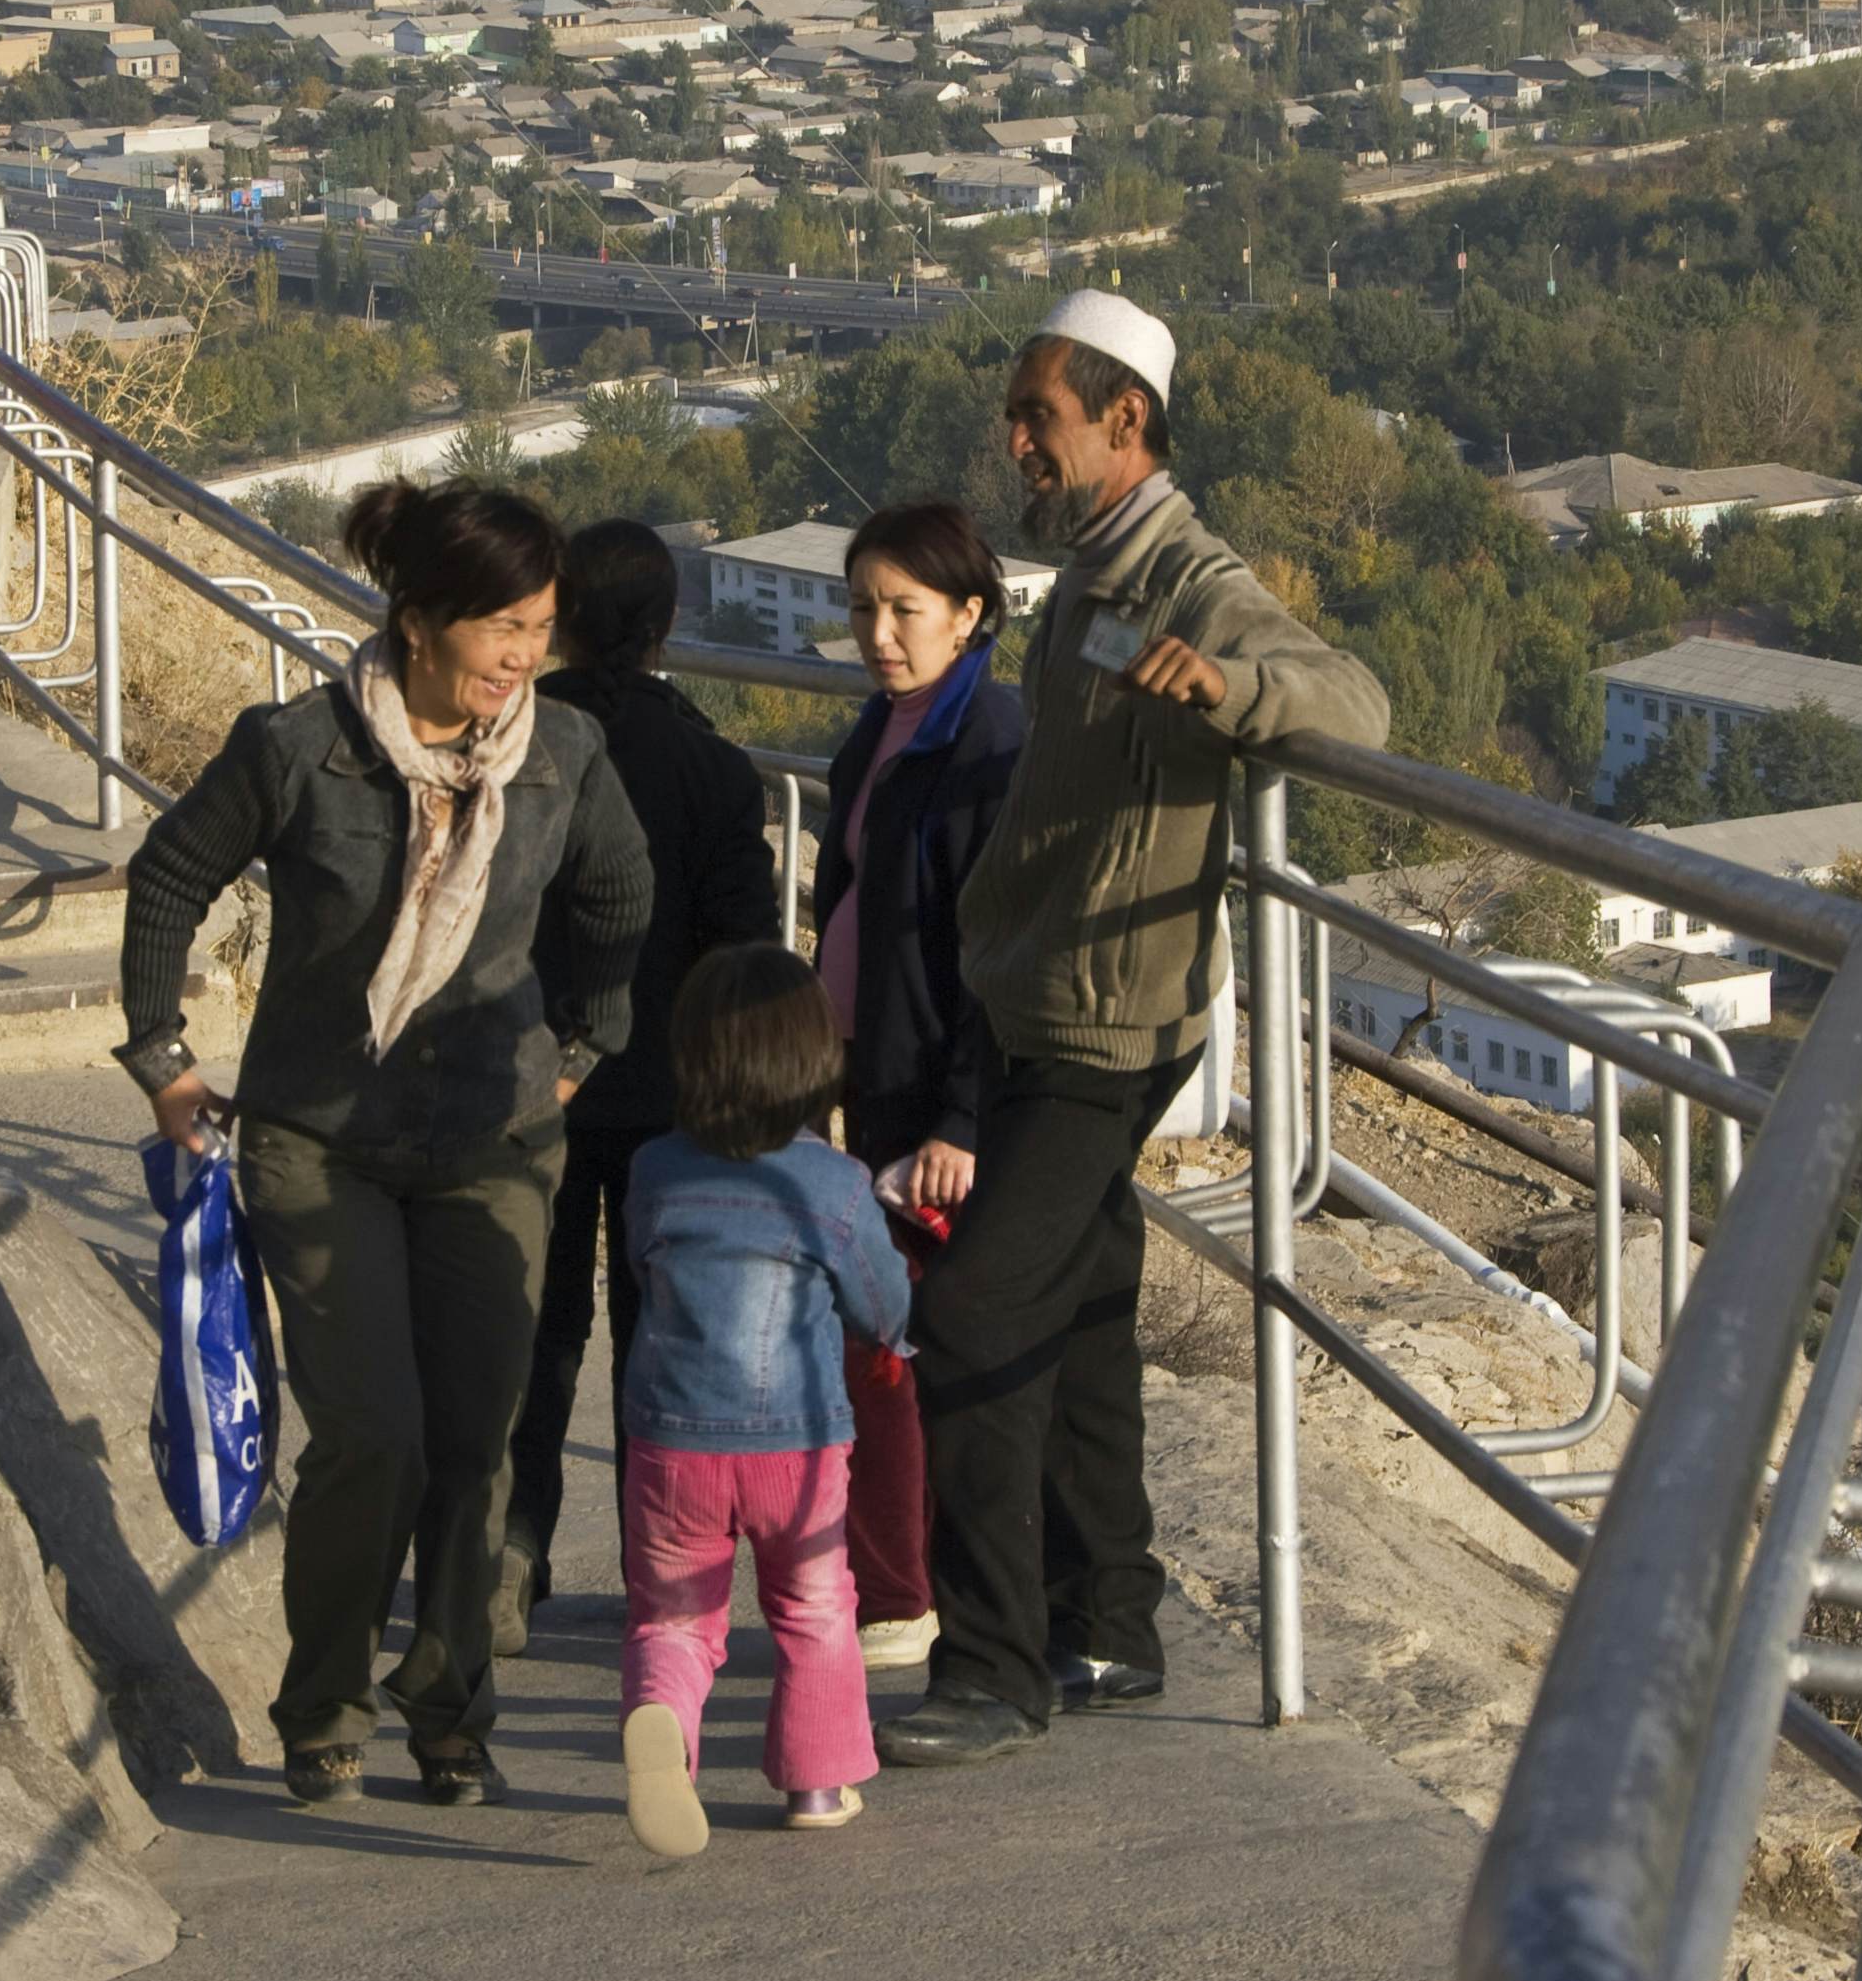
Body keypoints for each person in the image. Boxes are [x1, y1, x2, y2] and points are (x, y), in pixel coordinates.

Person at [875, 291, 1391, 1771]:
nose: (1016, 444)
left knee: (972, 1309)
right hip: (1037, 991)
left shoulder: (1184, 576)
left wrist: (1235, 687)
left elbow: (1351, 701)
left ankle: (989, 1665)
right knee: (1087, 1309)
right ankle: (1104, 1618)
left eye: (1038, 417)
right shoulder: (1089, 572)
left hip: (1107, 1019)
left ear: (1124, 423)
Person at [115, 480, 654, 1809]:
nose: (520, 654)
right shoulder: (299, 748)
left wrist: (586, 1039)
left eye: (538, 626)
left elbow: (617, 890)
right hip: (321, 1137)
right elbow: (171, 874)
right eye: (498, 626)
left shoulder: (563, 752)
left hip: (496, 1137)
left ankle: (451, 1710)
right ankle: (323, 1701)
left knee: (476, 1441)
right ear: (416, 620)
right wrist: (162, 1057)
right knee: (373, 1435)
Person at [504, 520, 777, 1655]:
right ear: (667, 627)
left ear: (558, 614)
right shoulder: (714, 768)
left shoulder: (515, 743)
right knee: (659, 1343)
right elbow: (748, 948)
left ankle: (508, 1553)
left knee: (537, 1327)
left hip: (529, 1089)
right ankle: (658, 1576)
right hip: (674, 1100)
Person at [613, 944, 915, 1858]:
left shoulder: (656, 1169)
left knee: (673, 1616)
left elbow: (639, 1266)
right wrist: (893, 1341)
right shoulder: (833, 1182)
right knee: (815, 1605)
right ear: (814, 1059)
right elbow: (879, 1297)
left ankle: (664, 1713)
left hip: (672, 1444)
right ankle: (817, 1787)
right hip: (800, 1445)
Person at [809, 499, 1025, 1668]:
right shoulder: (888, 728)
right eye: (863, 607)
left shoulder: (982, 745)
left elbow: (993, 953)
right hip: (867, 1080)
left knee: (886, 1347)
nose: (879, 632)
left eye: (906, 610)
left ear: (970, 615)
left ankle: (901, 1595)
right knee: (874, 1333)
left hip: (928, 1101)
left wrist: (962, 1114)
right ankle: (896, 1581)